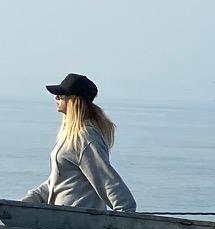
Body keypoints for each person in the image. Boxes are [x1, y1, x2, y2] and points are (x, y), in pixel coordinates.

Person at [25, 72, 136, 211]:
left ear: (74, 101)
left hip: (79, 223)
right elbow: (58, 182)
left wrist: (124, 223)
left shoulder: (85, 137)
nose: (56, 98)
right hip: (62, 221)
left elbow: (109, 183)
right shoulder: (69, 135)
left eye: (61, 95)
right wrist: (28, 200)